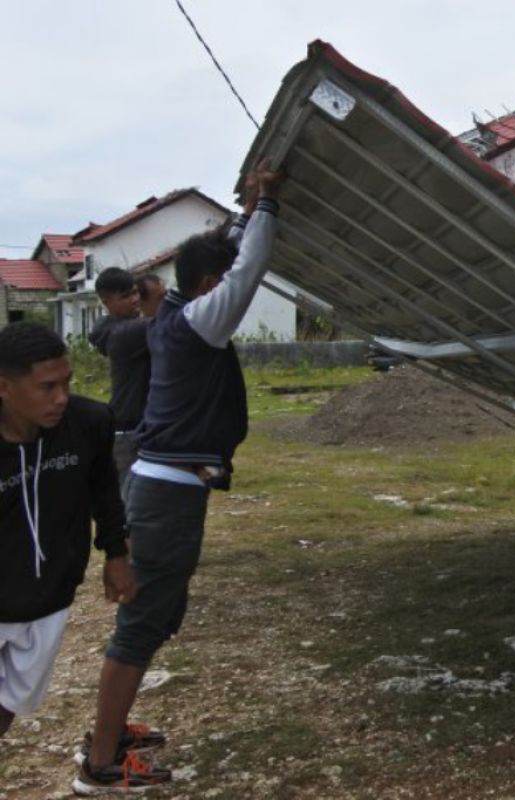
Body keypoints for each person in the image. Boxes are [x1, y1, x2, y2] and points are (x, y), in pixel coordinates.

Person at [74, 160, 284, 795]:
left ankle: (109, 734)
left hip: (162, 484)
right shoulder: (196, 321)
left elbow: (231, 262)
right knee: (142, 624)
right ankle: (102, 764)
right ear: (208, 284)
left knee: (156, 617)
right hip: (166, 492)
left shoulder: (176, 316)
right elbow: (247, 274)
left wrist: (246, 211)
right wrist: (268, 205)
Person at [0, 322, 135, 739]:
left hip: (50, 591)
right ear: (5, 387)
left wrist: (116, 554)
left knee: (12, 700)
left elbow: (104, 491)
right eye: (47, 387)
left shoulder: (88, 422)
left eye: (67, 383)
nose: (61, 397)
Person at [89, 268, 153, 501]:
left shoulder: (117, 326)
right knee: (127, 500)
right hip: (128, 425)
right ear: (106, 301)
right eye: (126, 296)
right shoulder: (127, 331)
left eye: (136, 293)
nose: (135, 299)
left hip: (140, 422)